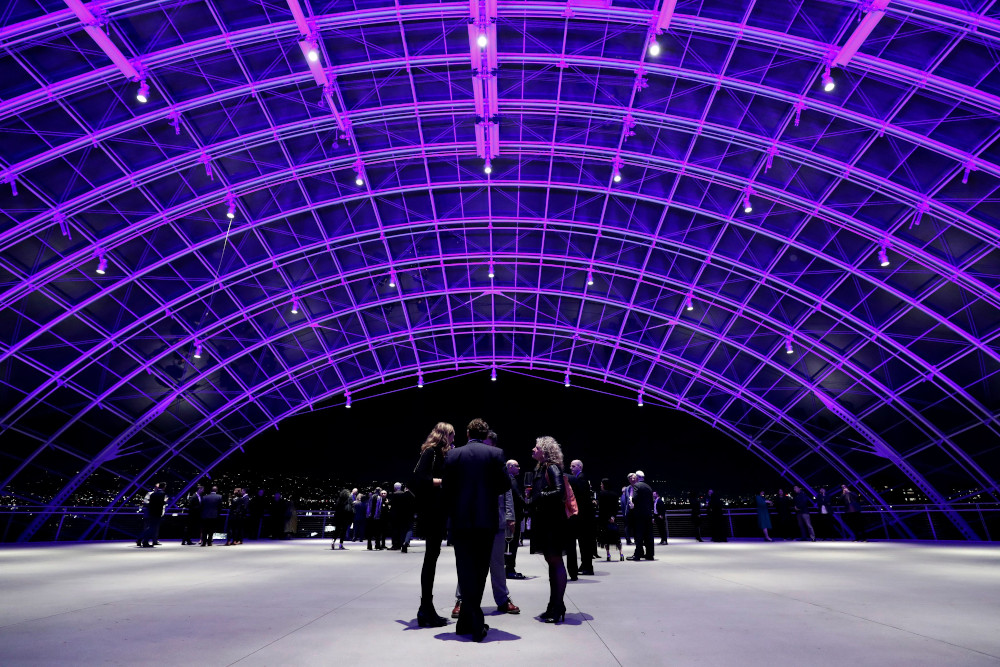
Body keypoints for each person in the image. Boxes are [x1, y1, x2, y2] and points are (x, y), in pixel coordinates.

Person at [443, 418, 510, 642]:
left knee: (464, 570)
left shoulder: (453, 455)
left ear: (467, 432)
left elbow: (447, 486)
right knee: (481, 570)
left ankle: (465, 622)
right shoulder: (496, 454)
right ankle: (476, 622)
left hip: (460, 521)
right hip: (486, 521)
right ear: (485, 434)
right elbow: (504, 485)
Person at [452, 430, 520, 620]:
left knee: (497, 563)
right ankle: (462, 599)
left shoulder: (496, 459)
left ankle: (502, 599)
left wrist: (510, 516)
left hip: (496, 519)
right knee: (467, 563)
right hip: (472, 519)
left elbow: (507, 491)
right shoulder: (470, 459)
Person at [412, 422, 455, 628]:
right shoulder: (431, 452)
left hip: (436, 512)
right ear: (445, 435)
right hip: (432, 513)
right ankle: (425, 608)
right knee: (431, 558)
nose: (454, 439)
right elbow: (420, 479)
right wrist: (444, 482)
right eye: (452, 435)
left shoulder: (439, 453)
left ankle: (426, 607)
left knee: (432, 557)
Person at [525, 435, 570, 624]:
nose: (533, 450)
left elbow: (560, 492)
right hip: (547, 522)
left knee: (555, 562)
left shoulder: (551, 467)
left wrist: (539, 495)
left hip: (553, 523)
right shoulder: (542, 468)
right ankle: (554, 604)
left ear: (545, 451)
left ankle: (557, 606)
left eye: (536, 448)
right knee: (552, 563)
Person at [566, 459, 595, 578]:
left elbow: (581, 499)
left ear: (580, 467)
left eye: (573, 466)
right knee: (584, 542)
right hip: (584, 516)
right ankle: (585, 565)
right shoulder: (581, 478)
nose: (571, 468)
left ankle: (587, 567)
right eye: (570, 466)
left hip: (583, 516)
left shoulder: (581, 478)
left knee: (585, 542)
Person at [504, 459, 527, 579]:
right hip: (514, 517)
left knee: (509, 544)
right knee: (511, 544)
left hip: (512, 515)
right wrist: (528, 505)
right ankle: (510, 569)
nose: (519, 468)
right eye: (517, 466)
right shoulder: (511, 480)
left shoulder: (509, 479)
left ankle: (508, 568)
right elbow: (518, 497)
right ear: (510, 466)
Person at [627, 471, 654, 560]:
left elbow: (634, 498)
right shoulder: (649, 487)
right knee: (649, 535)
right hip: (648, 515)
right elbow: (651, 502)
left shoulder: (637, 486)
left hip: (639, 515)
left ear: (637, 477)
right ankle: (650, 554)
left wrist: (631, 500)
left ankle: (638, 555)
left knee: (639, 535)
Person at [597, 478, 623, 561]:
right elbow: (616, 507)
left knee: (606, 538)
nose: (601, 485)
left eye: (601, 484)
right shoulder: (615, 494)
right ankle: (621, 553)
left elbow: (602, 508)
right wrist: (612, 516)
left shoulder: (601, 494)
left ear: (604, 485)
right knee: (616, 537)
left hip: (604, 518)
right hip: (613, 518)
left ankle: (608, 554)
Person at [138, 482, 167, 548]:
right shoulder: (160, 494)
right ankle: (142, 539)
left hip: (152, 512)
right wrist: (165, 502)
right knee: (151, 528)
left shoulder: (153, 494)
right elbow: (159, 504)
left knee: (151, 527)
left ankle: (149, 540)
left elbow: (150, 504)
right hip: (155, 513)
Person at [390, 483, 415, 552]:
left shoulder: (401, 495)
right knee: (409, 529)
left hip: (402, 515)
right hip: (410, 515)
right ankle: (405, 542)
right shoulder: (413, 495)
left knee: (403, 529)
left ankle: (401, 543)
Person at [620, 474, 636, 545]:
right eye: (629, 478)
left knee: (631, 527)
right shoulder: (627, 489)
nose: (631, 480)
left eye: (632, 478)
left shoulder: (637, 487)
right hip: (628, 513)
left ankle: (631, 540)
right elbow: (625, 504)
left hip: (634, 512)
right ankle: (629, 540)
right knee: (629, 527)